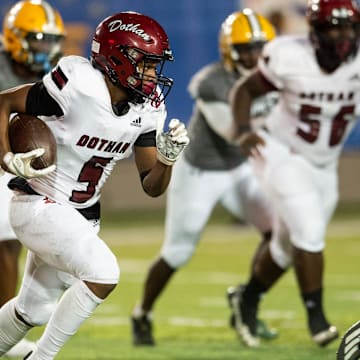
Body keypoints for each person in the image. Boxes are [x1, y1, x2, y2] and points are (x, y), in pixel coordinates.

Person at [0, 10, 189, 359]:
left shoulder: (147, 107)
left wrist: (168, 159)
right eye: (145, 64)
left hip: (82, 216)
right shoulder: (78, 84)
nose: (152, 74)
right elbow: (5, 101)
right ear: (118, 58)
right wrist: (8, 158)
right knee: (103, 271)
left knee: (33, 310)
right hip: (38, 202)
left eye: (154, 65)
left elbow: (151, 185)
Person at [130, 9, 279, 347]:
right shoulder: (211, 81)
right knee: (178, 252)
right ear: (229, 50)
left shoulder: (276, 77)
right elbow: (233, 132)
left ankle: (247, 302)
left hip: (240, 170)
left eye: (260, 48)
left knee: (279, 235)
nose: (255, 57)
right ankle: (142, 312)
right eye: (246, 48)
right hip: (200, 172)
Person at [229, 0, 360, 348]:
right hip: (280, 151)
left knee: (287, 247)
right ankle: (317, 319)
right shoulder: (289, 56)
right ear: (315, 33)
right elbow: (246, 90)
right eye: (334, 27)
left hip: (324, 163)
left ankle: (247, 299)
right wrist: (243, 129)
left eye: (349, 27)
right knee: (310, 232)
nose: (343, 36)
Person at [0, 0, 65, 357]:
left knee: (10, 241)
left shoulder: (54, 74)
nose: (45, 49)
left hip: (13, 166)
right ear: (14, 37)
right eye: (37, 39)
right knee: (7, 239)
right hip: (5, 162)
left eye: (49, 41)